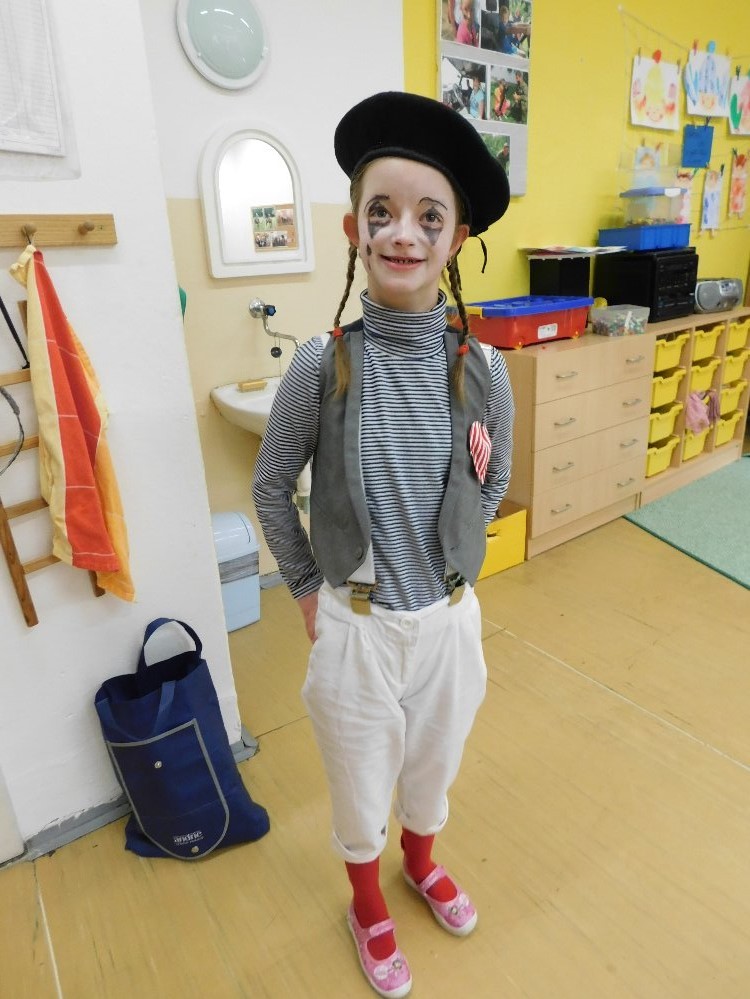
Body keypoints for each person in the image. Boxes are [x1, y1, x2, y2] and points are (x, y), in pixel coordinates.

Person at [252, 91, 514, 998]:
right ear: (353, 229)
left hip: (448, 621)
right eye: (383, 212)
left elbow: (495, 473)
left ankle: (422, 861)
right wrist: (304, 591)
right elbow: (270, 485)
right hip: (355, 628)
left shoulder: (484, 368)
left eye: (429, 216)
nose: (404, 232)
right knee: (361, 780)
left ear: (456, 238)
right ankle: (367, 902)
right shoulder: (320, 364)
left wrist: (462, 562)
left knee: (434, 764)